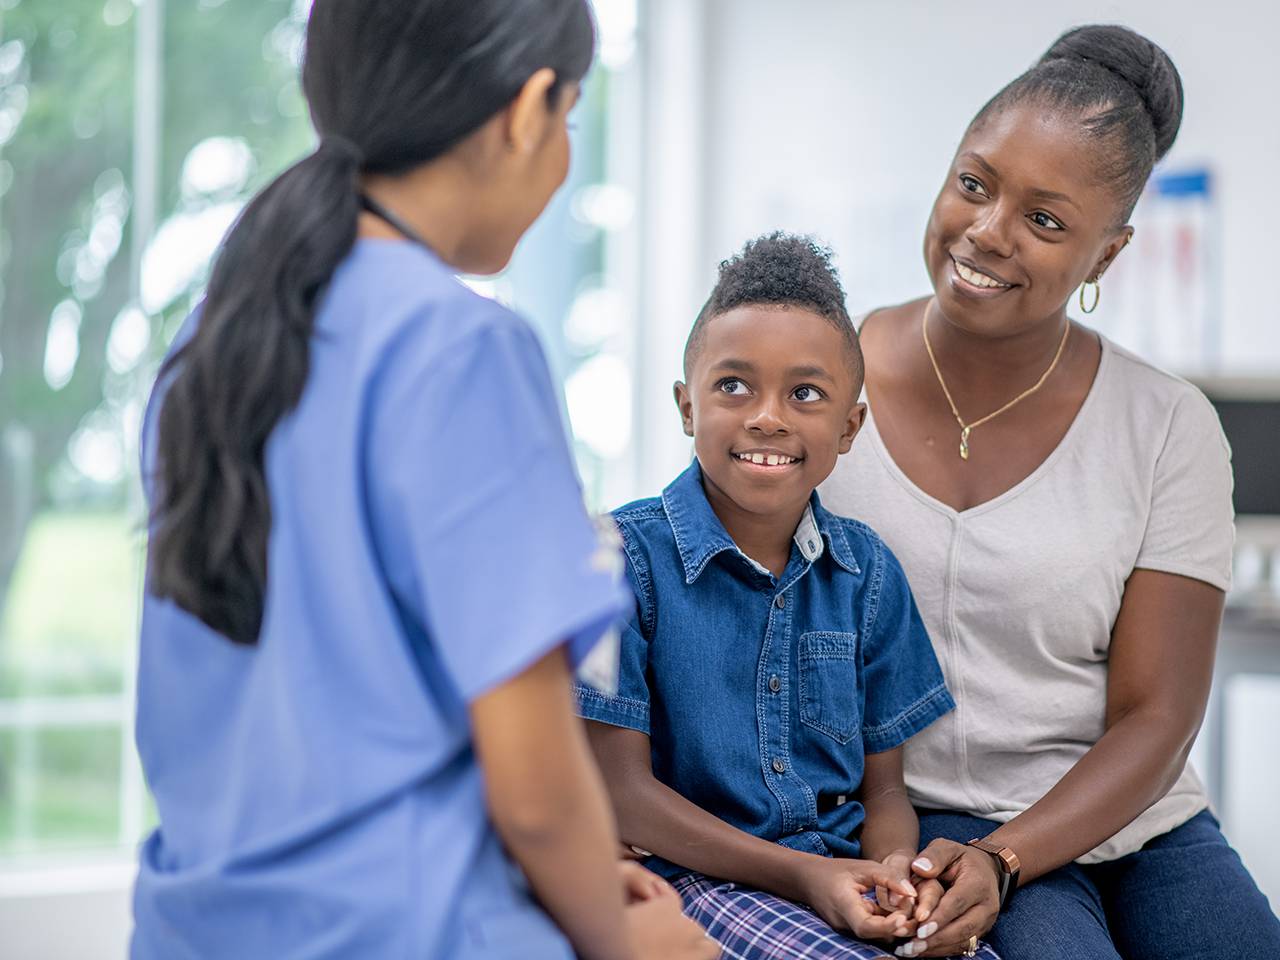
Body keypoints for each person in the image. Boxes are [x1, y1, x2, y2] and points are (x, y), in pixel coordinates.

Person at [131, 2, 716, 958]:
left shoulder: (214, 346)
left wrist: (543, 880)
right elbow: (534, 787)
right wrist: (613, 936)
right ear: (529, 111)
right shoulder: (462, 349)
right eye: (570, 117)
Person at [820, 23, 1280, 960]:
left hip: (1133, 819)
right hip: (922, 819)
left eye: (1045, 219)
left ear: (1106, 257)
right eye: (974, 184)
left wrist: (1009, 858)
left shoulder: (1166, 426)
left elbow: (1157, 717)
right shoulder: (828, 374)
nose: (986, 233)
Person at [576, 233, 1001, 960]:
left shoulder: (866, 573)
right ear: (686, 405)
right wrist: (810, 877)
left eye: (805, 394)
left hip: (835, 875)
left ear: (849, 426)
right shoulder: (622, 560)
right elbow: (622, 796)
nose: (767, 416)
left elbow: (888, 792)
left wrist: (893, 871)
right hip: (692, 879)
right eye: (733, 385)